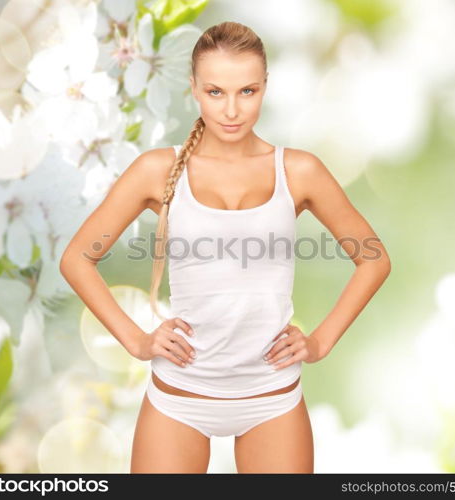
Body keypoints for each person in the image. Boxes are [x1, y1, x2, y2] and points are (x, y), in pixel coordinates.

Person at [60, 21, 391, 474]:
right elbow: (77, 258)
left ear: (265, 87)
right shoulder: (157, 170)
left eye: (247, 91)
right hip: (178, 397)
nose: (232, 110)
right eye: (216, 92)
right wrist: (137, 340)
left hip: (271, 399)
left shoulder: (299, 170)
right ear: (193, 89)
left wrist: (319, 342)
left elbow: (373, 260)